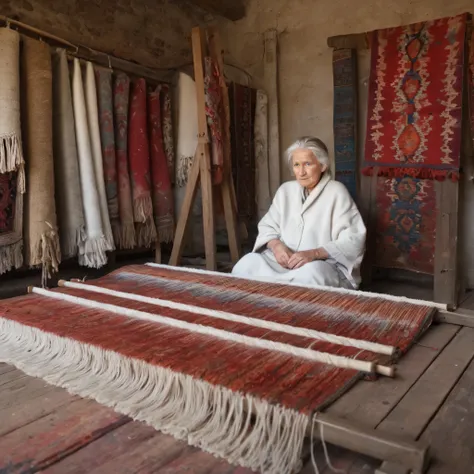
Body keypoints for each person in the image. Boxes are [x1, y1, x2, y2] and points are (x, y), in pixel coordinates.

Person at [231, 136, 366, 289]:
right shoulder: (285, 190)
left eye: (307, 164)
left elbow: (353, 239)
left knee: (311, 276)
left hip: (321, 265)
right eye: (296, 165)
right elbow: (268, 226)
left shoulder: (336, 191)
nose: (301, 172)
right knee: (247, 264)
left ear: (323, 166)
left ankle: (288, 307)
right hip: (281, 263)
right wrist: (276, 246)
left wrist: (314, 254)